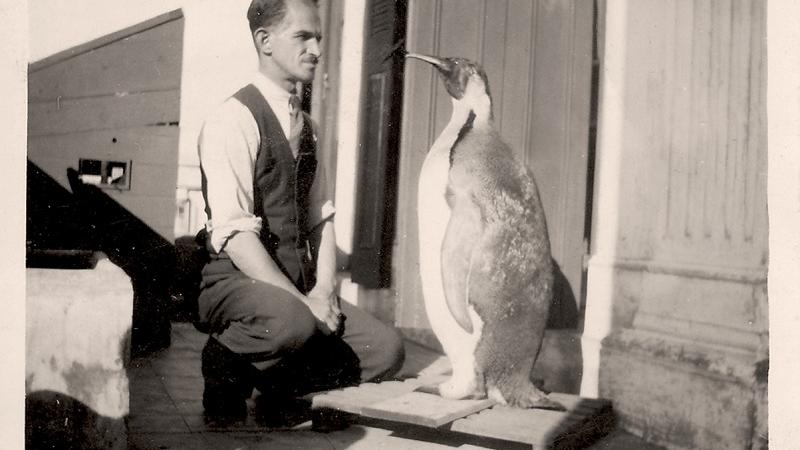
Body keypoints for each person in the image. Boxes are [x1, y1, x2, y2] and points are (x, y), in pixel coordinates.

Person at [196, 0, 404, 419]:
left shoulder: (308, 127)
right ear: (265, 41)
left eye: (319, 38)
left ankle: (283, 386)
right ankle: (224, 363)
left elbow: (319, 218)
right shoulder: (232, 119)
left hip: (296, 290)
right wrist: (304, 305)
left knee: (386, 350)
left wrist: (325, 291)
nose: (316, 49)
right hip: (235, 283)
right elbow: (236, 237)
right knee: (294, 322)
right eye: (303, 37)